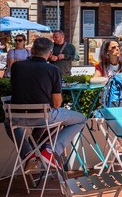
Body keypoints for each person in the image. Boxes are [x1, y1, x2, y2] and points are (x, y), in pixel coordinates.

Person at [10, 37, 86, 170]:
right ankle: (51, 150)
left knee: (8, 123)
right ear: (50, 53)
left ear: (32, 50)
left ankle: (28, 153)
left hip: (16, 116)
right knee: (81, 119)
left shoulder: (16, 67)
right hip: (43, 117)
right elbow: (56, 104)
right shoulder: (53, 70)